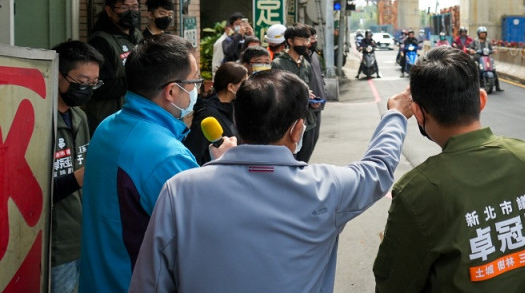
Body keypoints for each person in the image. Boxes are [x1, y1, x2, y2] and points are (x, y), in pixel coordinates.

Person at [129, 69, 413, 292]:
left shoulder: (180, 189)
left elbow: (150, 283)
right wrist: (395, 115)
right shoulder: (328, 187)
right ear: (297, 129)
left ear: (238, 122)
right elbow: (378, 168)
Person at [373, 46, 525, 291]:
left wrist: (395, 116)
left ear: (418, 113)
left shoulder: (418, 191)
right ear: (481, 100)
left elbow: (392, 284)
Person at [79, 35, 235, 293]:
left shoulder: (108, 126)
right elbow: (208, 236)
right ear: (172, 91)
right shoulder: (167, 156)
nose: (198, 89)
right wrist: (225, 171)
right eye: (195, 81)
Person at [50, 40, 103, 293]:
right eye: (82, 81)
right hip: (53, 244)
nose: (87, 88)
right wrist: (82, 176)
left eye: (94, 83)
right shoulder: (38, 118)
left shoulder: (79, 116)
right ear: (58, 74)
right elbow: (33, 192)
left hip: (82, 236)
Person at [84, 0, 145, 134]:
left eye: (135, 7)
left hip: (134, 116)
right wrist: (141, 80)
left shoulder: (137, 35)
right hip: (108, 120)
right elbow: (100, 87)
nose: (131, 12)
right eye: (124, 8)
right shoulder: (100, 41)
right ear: (109, 11)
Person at [270, 24, 323, 161]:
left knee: (304, 160)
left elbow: (309, 87)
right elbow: (277, 92)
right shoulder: (278, 63)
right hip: (288, 121)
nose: (305, 44)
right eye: (301, 40)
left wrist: (313, 102)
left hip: (308, 120)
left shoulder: (305, 63)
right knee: (289, 160)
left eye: (307, 40)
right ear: (290, 41)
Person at [184, 62, 247, 165]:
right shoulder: (207, 114)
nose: (247, 87)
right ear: (231, 87)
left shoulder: (234, 107)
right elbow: (194, 151)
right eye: (244, 83)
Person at [298, 25, 328, 162]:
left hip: (318, 105)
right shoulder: (300, 59)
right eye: (311, 38)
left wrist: (324, 91)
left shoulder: (314, 55)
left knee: (312, 142)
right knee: (303, 145)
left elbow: (320, 76)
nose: (313, 41)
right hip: (306, 108)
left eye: (315, 38)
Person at [470, 25, 504, 92]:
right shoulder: (475, 41)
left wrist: (493, 51)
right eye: (481, 33)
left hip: (486, 58)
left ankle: (497, 87)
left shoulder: (488, 42)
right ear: (478, 34)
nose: (483, 35)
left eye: (484, 33)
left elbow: (491, 49)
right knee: (473, 68)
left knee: (493, 70)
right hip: (477, 57)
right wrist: (471, 50)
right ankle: (472, 85)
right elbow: (470, 48)